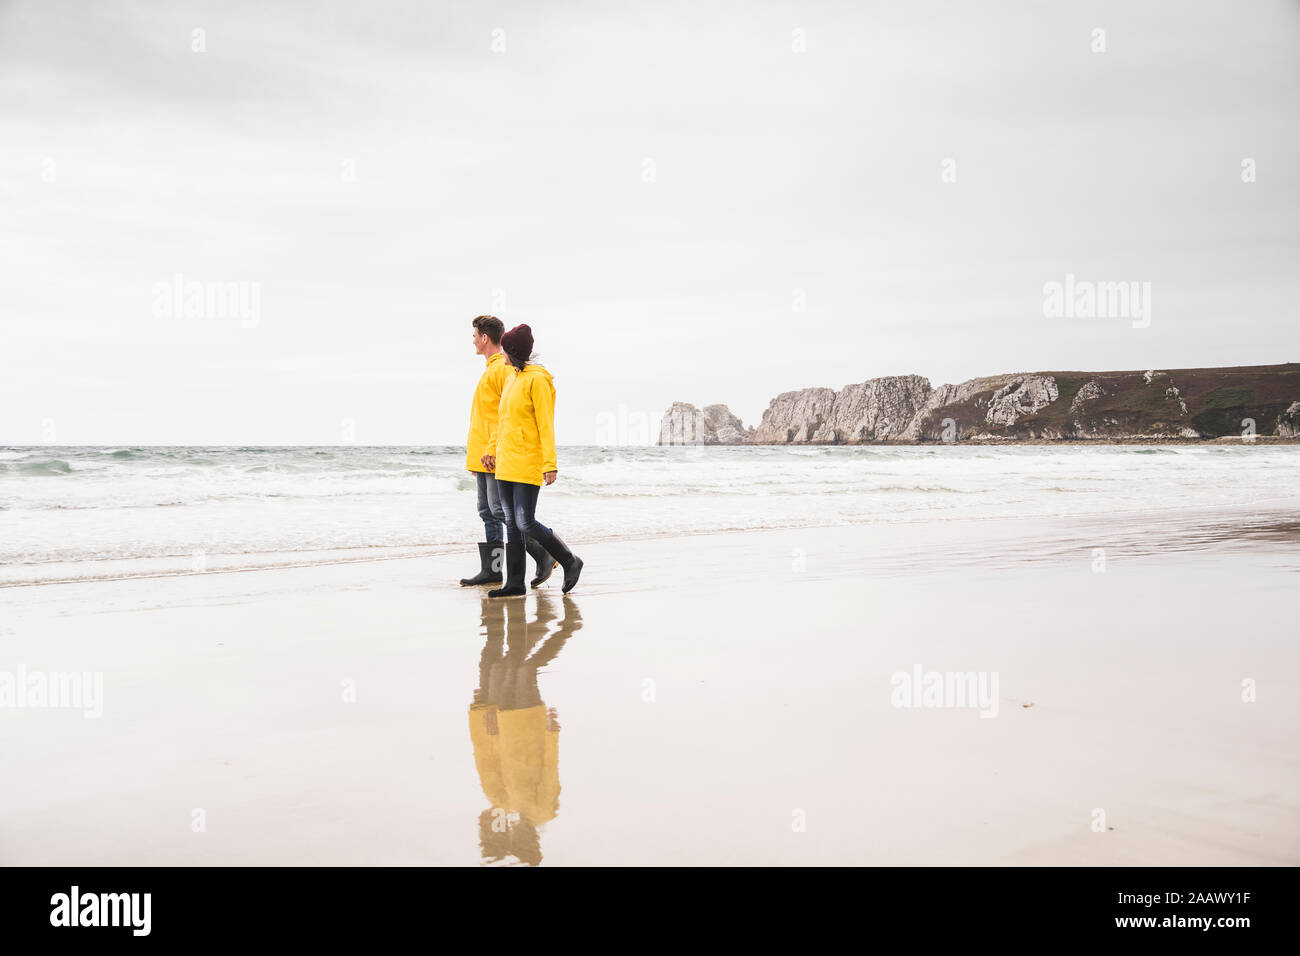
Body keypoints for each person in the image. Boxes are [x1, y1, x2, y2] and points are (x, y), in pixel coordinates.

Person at [481, 323, 583, 597]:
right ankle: (515, 583)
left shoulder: (538, 380)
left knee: (525, 521)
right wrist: (491, 448)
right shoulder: (512, 377)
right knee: (513, 524)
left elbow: (545, 424)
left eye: (504, 349)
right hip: (505, 462)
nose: (501, 354)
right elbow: (502, 421)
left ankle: (570, 560)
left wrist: (550, 463)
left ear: (512, 351)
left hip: (526, 462)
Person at [460, 315, 556, 587]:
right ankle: (492, 570)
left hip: (495, 454)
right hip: (483, 453)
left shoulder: (502, 369)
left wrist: (494, 449)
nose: (474, 341)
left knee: (502, 512)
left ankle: (543, 554)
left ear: (485, 338)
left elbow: (508, 416)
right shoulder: (491, 369)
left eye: (475, 335)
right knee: (487, 511)